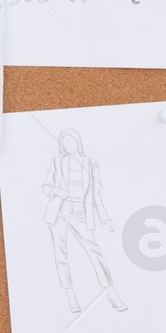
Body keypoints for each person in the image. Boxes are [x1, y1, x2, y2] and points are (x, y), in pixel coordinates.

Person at [40, 129, 127, 313]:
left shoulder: (91, 163)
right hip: (59, 211)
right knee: (60, 255)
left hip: (81, 211)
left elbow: (96, 194)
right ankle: (71, 295)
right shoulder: (56, 162)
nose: (68, 145)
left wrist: (105, 218)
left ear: (78, 142)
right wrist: (58, 191)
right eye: (65, 143)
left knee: (94, 251)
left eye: (71, 141)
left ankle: (111, 293)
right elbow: (46, 186)